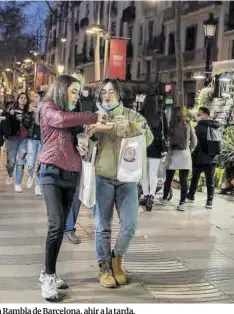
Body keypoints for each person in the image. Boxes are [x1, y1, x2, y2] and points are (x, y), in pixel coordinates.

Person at [37, 75, 101, 301]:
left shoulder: (73, 118)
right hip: (51, 172)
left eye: (79, 92)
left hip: (72, 174)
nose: (77, 96)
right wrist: (94, 115)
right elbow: (60, 120)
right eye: (73, 91)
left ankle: (47, 271)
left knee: (62, 225)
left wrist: (82, 143)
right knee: (55, 224)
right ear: (62, 89)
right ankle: (49, 277)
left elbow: (72, 140)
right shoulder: (48, 107)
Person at [86, 78, 153, 288]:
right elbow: (84, 146)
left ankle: (117, 259)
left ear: (119, 94)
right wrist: (90, 135)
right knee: (102, 226)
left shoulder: (133, 115)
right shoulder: (94, 117)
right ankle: (104, 266)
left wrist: (130, 126)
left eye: (112, 91)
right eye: (103, 91)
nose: (107, 95)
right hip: (102, 175)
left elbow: (149, 138)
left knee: (130, 225)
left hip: (127, 178)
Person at [64, 71, 93, 244]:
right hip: (60, 155)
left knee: (76, 193)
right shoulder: (58, 103)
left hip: (79, 153)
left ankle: (69, 228)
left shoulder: (87, 102)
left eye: (79, 82)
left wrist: (88, 132)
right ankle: (58, 225)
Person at [161, 106, 197, 211]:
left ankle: (165, 199)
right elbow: (194, 141)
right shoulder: (188, 125)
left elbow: (166, 139)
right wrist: (189, 150)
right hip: (185, 155)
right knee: (183, 180)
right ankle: (182, 203)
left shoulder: (171, 125)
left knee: (168, 179)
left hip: (172, 154)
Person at [187, 107, 222, 209]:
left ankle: (191, 195)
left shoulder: (199, 127)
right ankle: (209, 201)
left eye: (199, 114)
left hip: (200, 157)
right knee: (210, 180)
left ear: (206, 115)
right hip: (212, 158)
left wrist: (192, 154)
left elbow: (196, 144)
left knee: (195, 178)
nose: (197, 116)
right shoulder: (216, 126)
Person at [139, 94, 168, 211]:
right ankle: (152, 195)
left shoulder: (141, 113)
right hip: (156, 147)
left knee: (144, 174)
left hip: (143, 146)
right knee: (153, 173)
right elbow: (166, 132)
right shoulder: (161, 114)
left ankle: (146, 195)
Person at [3, 93, 29, 192]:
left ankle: (18, 183)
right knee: (11, 161)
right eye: (21, 97)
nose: (23, 100)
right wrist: (10, 114)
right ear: (17, 99)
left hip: (24, 138)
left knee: (21, 159)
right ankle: (10, 174)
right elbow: (5, 120)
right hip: (12, 138)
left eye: (25, 98)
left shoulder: (29, 110)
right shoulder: (11, 109)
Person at [22, 92, 43, 194]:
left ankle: (38, 184)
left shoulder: (47, 109)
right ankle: (31, 176)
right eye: (34, 97)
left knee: (40, 163)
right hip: (32, 139)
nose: (34, 99)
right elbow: (25, 124)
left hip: (43, 139)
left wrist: (42, 113)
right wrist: (30, 112)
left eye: (37, 97)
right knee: (30, 163)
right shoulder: (31, 108)